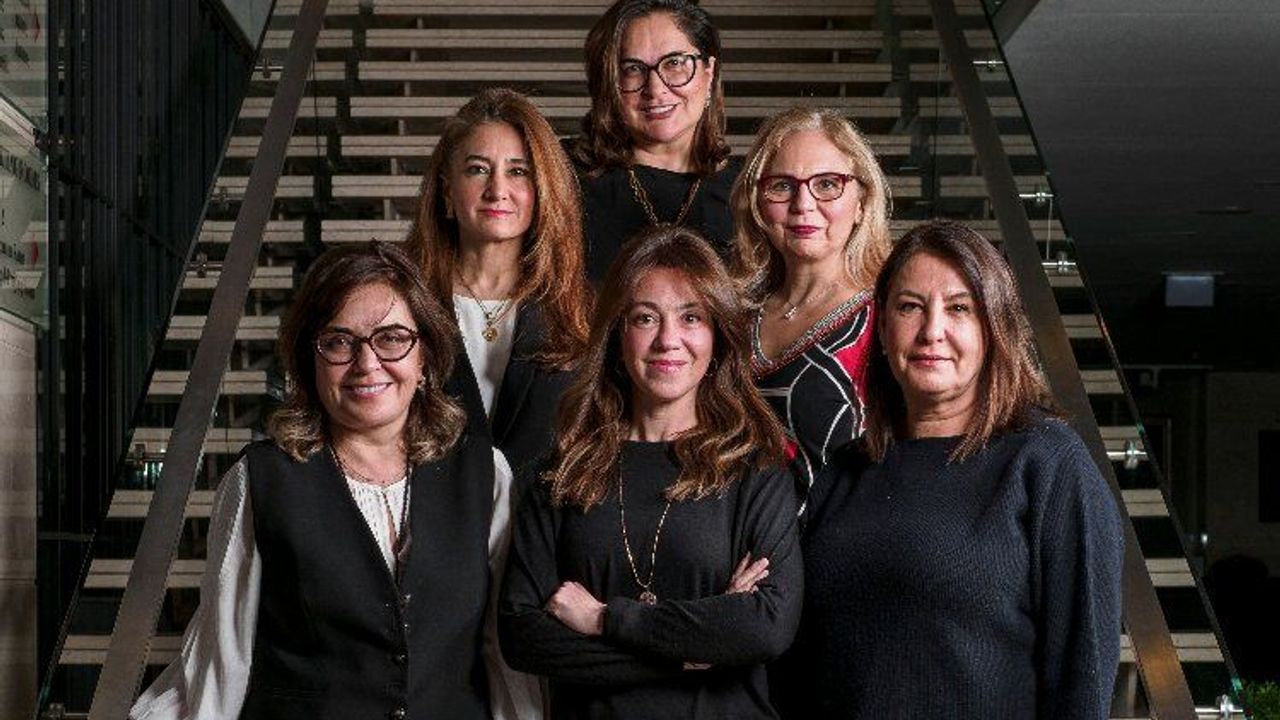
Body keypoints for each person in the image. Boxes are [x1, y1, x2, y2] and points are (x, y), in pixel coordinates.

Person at [130, 242, 492, 720]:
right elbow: (223, 658)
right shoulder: (259, 482)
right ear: (310, 361)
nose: (367, 363)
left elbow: (500, 657)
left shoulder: (487, 476)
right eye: (339, 342)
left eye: (391, 338)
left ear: (424, 357)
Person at [778, 219, 1124, 719]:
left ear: (994, 329)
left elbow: (1082, 680)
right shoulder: (846, 471)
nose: (931, 331)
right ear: (882, 330)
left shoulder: (1047, 463)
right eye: (910, 307)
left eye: (960, 308)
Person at [498, 226, 802, 720]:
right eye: (645, 317)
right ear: (617, 334)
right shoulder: (563, 471)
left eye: (691, 317)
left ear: (717, 335)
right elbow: (523, 637)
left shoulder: (754, 467)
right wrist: (694, 652)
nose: (668, 340)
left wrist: (605, 619)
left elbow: (766, 626)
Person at [405, 87, 592, 719]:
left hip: (544, 563)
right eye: (477, 169)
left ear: (542, 193)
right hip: (428, 559)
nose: (498, 190)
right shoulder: (402, 302)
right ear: (446, 192)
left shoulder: (583, 313)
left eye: (518, 172)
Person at [730, 106, 893, 509]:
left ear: (861, 202)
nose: (803, 204)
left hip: (844, 539)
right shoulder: (731, 317)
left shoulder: (888, 320)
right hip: (732, 542)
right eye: (782, 186)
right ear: (757, 202)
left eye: (827, 184)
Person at [573, 0, 738, 280]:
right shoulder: (561, 177)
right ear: (609, 83)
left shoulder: (750, 192)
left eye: (675, 63)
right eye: (632, 68)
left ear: (709, 73)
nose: (656, 89)